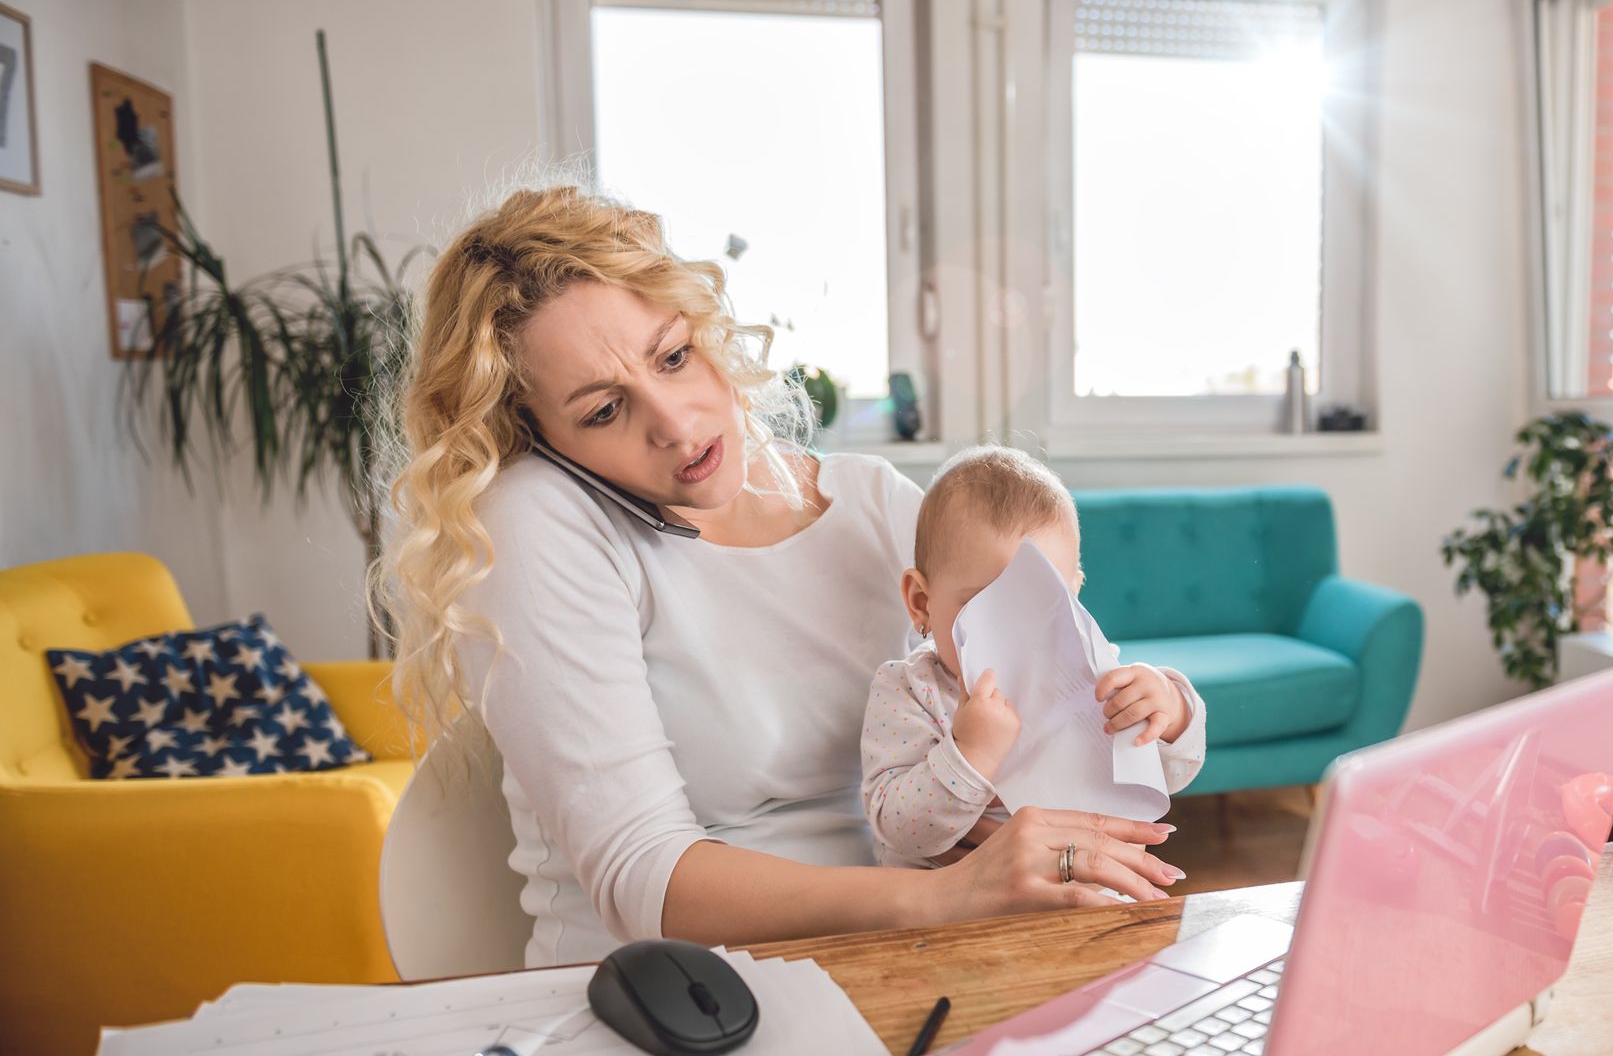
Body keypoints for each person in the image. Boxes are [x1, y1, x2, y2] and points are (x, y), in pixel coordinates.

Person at [379, 186, 1180, 966]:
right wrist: (950, 894)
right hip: (676, 998)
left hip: (912, 960)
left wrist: (1120, 739)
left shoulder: (874, 503)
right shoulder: (540, 517)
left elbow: (1069, 705)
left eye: (674, 356)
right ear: (541, 438)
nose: (674, 422)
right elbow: (641, 873)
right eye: (602, 411)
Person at [862, 446, 1204, 866]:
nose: (1013, 632)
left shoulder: (1092, 677)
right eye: (982, 606)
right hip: (953, 905)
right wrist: (971, 754)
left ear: (1074, 595)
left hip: (1085, 885)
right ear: (921, 602)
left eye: (1042, 604)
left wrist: (1169, 711)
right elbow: (898, 829)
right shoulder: (911, 690)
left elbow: (1173, 774)